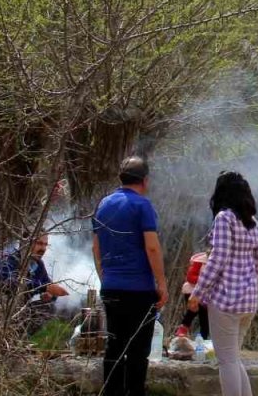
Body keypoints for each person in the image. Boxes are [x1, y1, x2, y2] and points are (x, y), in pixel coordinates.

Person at [94, 156, 168, 396]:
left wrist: (103, 275)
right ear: (145, 181)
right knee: (138, 351)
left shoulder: (104, 204)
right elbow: (152, 247)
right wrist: (162, 282)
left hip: (112, 287)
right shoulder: (142, 205)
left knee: (113, 347)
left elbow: (96, 247)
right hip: (139, 290)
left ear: (120, 178)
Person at [193, 171, 258, 396]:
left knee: (226, 362)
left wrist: (198, 291)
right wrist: (248, 284)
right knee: (233, 358)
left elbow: (218, 258)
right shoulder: (254, 224)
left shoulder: (224, 218)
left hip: (226, 302)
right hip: (248, 303)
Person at [0, 231, 70, 330]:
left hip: (13, 312)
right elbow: (11, 284)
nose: (43, 249)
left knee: (48, 307)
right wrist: (44, 288)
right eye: (39, 243)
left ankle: (18, 339)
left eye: (45, 245)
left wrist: (49, 295)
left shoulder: (38, 264)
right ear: (25, 243)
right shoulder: (7, 258)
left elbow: (47, 286)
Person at [176, 250, 211, 341]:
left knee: (205, 316)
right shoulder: (200, 261)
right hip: (192, 290)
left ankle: (203, 339)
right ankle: (183, 329)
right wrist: (205, 280)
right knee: (194, 309)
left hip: (207, 293)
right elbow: (190, 277)